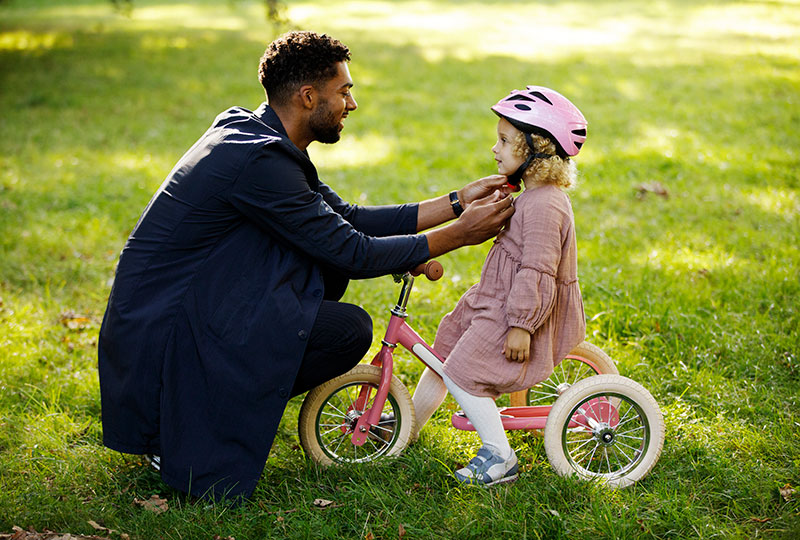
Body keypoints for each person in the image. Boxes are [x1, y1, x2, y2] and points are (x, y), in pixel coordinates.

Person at [97, 30, 514, 501]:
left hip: (187, 310)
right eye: (344, 91)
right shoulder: (259, 160)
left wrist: (458, 202)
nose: (351, 104)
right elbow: (351, 251)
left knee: (336, 321)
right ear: (308, 96)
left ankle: (202, 419)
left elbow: (348, 219)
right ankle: (182, 430)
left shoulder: (256, 135)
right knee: (345, 329)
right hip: (165, 335)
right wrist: (459, 236)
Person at [411, 85, 588, 486]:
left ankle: (499, 454)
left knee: (461, 370)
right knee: (445, 347)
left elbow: (539, 270)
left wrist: (522, 325)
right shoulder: (529, 196)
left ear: (537, 149)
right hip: (493, 299)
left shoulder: (546, 204)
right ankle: (409, 427)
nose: (495, 148)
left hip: (518, 310)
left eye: (505, 141)